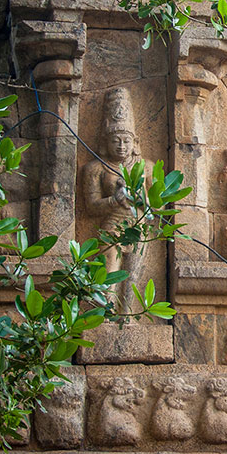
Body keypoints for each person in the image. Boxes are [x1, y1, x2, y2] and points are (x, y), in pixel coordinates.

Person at [82, 87, 144, 302]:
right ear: (105, 142)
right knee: (109, 276)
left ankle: (126, 317)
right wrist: (114, 200)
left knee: (132, 280)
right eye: (115, 140)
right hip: (112, 226)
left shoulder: (145, 167)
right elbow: (90, 206)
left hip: (138, 228)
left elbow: (158, 206)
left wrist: (141, 199)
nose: (121, 146)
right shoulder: (95, 169)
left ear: (135, 143)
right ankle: (106, 316)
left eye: (126, 140)